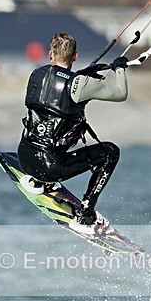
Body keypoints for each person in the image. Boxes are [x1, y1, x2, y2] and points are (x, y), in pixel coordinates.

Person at [17, 32, 129, 236]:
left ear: (50, 54)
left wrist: (86, 74)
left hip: (24, 158)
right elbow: (120, 93)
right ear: (75, 56)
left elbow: (57, 89)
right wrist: (120, 68)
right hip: (50, 168)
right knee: (111, 152)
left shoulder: (36, 74)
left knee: (45, 128)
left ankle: (36, 182)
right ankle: (85, 216)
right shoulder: (82, 84)